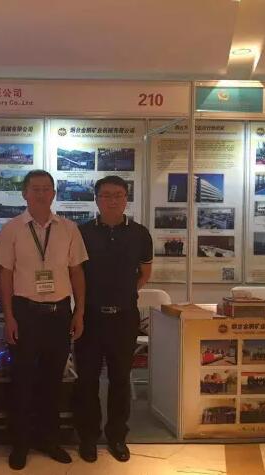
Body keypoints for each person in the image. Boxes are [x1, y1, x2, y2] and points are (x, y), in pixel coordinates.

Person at [0, 170, 88, 470]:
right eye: (35, 188)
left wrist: (79, 312)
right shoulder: (11, 229)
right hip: (25, 313)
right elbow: (5, 276)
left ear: (54, 194)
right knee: (22, 380)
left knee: (52, 381)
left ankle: (50, 440)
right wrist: (9, 317)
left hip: (59, 314)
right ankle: (20, 443)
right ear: (24, 193)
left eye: (46, 188)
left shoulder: (69, 229)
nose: (41, 193)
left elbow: (76, 272)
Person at [74, 175, 152, 464]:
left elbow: (145, 273)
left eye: (118, 195)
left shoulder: (140, 233)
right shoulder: (81, 232)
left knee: (120, 379)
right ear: (96, 199)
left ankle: (117, 436)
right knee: (87, 380)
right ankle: (88, 436)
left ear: (126, 199)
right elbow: (76, 274)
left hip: (124, 318)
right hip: (90, 317)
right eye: (105, 195)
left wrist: (123, 294)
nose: (112, 200)